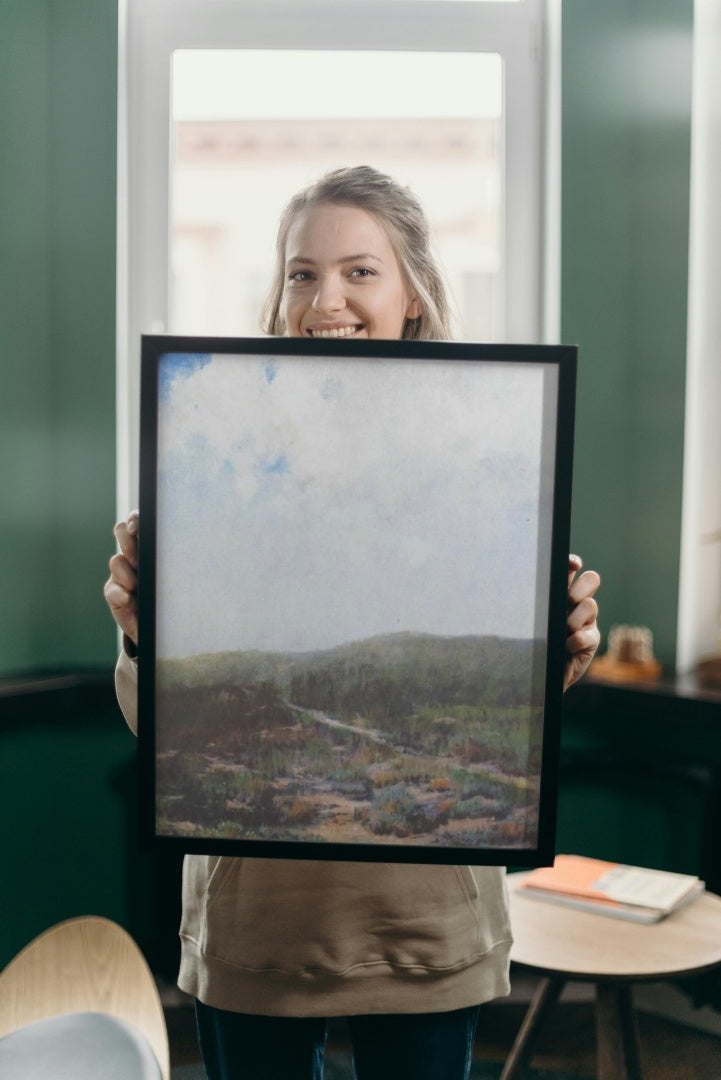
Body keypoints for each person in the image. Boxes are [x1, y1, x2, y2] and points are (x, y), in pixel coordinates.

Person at [105, 166, 601, 1080]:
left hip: (425, 927)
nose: (324, 298)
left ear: (412, 292)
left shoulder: (489, 447)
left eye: (359, 271)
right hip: (256, 928)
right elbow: (166, 731)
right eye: (301, 272)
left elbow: (515, 723)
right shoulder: (213, 445)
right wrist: (141, 636)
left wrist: (559, 654)